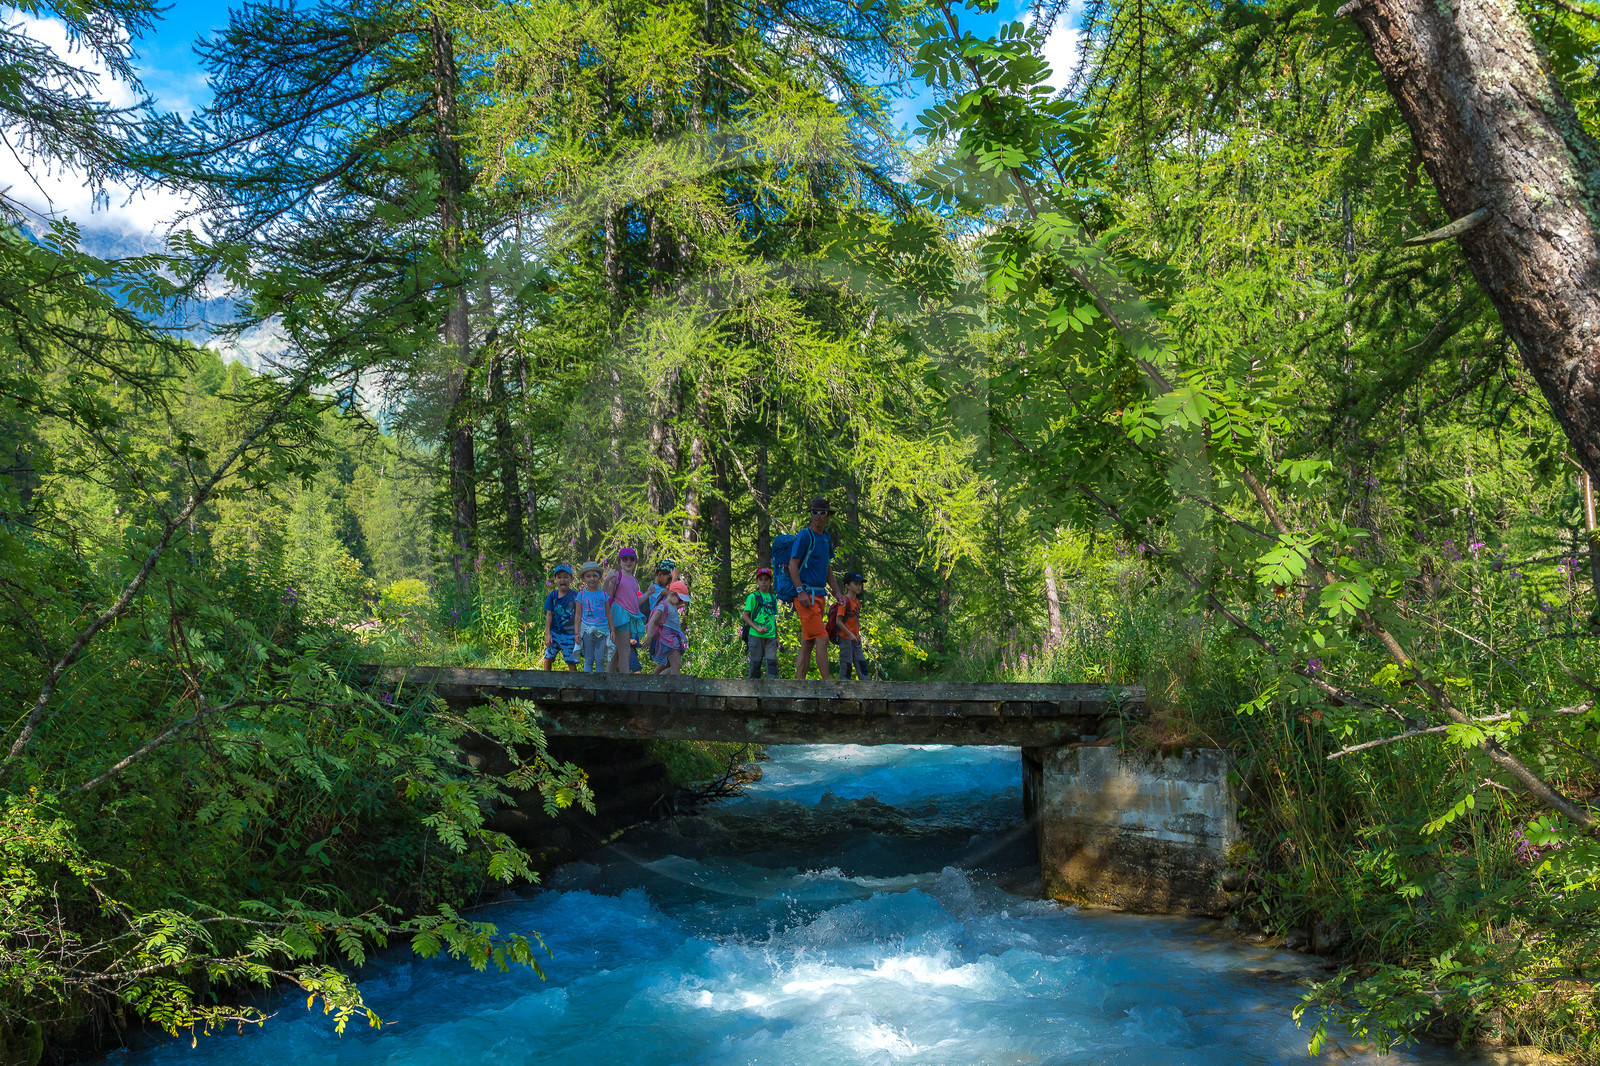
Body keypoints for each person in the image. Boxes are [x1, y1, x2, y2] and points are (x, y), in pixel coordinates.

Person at [789, 497, 842, 680]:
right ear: (811, 515)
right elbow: (792, 564)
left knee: (808, 641)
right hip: (806, 597)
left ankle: (799, 684)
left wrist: (837, 592)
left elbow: (827, 567)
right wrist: (800, 591)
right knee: (822, 638)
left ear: (828, 516)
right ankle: (828, 686)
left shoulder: (826, 538)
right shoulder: (805, 536)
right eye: (815, 512)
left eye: (822, 513)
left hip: (819, 595)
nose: (818, 516)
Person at [602, 547, 648, 673]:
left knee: (617, 652)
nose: (628, 562)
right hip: (620, 616)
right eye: (625, 559)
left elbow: (635, 603)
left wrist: (648, 594)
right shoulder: (617, 576)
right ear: (620, 562)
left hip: (629, 616)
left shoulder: (634, 580)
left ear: (635, 562)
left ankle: (607, 679)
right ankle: (624, 680)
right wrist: (607, 580)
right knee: (625, 651)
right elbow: (606, 595)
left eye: (631, 559)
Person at [644, 580, 691, 674]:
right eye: (680, 600)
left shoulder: (672, 605)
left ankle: (656, 679)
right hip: (668, 638)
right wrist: (649, 637)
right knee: (676, 664)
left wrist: (679, 604)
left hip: (673, 637)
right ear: (672, 594)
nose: (682, 602)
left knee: (669, 664)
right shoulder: (663, 606)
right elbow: (652, 621)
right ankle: (673, 682)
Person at [741, 567, 780, 678]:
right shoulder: (753, 597)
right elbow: (745, 616)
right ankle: (753, 687)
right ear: (757, 581)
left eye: (766, 579)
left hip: (770, 637)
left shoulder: (773, 598)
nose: (763, 582)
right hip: (755, 635)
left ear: (770, 582)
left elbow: (772, 618)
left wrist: (777, 636)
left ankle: (772, 687)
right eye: (761, 579)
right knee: (755, 663)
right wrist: (757, 628)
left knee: (772, 663)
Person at [542, 564, 580, 670]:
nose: (562, 580)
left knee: (571, 661)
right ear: (555, 579)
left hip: (570, 634)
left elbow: (579, 615)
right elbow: (549, 615)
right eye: (559, 577)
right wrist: (548, 634)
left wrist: (578, 633)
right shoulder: (552, 596)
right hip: (554, 633)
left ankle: (574, 680)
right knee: (548, 657)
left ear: (571, 579)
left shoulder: (575, 596)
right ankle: (545, 678)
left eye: (566, 577)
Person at [575, 562, 610, 672]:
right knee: (588, 659)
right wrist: (576, 633)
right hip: (587, 630)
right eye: (588, 576)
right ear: (583, 578)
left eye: (595, 575)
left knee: (600, 660)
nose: (592, 579)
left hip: (602, 631)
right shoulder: (581, 595)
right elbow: (578, 615)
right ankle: (587, 681)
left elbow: (608, 613)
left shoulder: (603, 595)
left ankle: (599, 682)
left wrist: (612, 631)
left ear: (599, 577)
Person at [645, 558, 677, 665]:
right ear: (659, 575)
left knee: (667, 662)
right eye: (669, 578)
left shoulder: (661, 588)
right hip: (657, 630)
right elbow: (669, 593)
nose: (670, 582)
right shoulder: (654, 588)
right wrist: (675, 579)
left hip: (664, 629)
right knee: (663, 662)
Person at [835, 572, 867, 680]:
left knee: (861, 664)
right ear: (847, 585)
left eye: (860, 584)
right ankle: (843, 689)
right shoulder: (844, 601)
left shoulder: (857, 602)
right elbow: (838, 621)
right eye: (855, 584)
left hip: (856, 638)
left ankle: (866, 688)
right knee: (846, 665)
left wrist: (855, 635)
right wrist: (849, 634)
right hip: (845, 638)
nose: (859, 586)